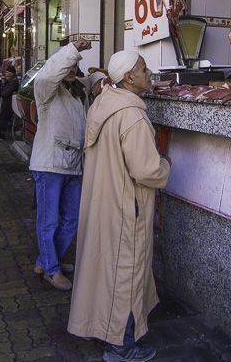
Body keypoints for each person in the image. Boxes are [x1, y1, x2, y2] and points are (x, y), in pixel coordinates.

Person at [67, 50, 171, 362]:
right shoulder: (133, 115)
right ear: (128, 78)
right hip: (127, 207)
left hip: (103, 203)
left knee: (106, 272)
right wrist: (165, 165)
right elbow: (147, 170)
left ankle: (105, 332)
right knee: (126, 273)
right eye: (143, 69)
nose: (148, 72)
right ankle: (121, 346)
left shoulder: (104, 103)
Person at [29, 38, 92, 291]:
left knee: (71, 220)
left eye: (75, 66)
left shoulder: (77, 91)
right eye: (68, 65)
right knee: (49, 221)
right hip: (49, 166)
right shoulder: (46, 89)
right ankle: (51, 269)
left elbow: (94, 80)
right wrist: (73, 49)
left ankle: (45, 259)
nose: (72, 70)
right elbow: (48, 75)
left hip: (74, 165)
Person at [0, 65, 19, 141]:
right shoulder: (10, 80)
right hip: (6, 102)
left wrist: (0, 92)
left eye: (7, 72)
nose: (6, 73)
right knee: (2, 117)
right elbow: (3, 90)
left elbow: (5, 93)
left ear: (11, 73)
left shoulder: (13, 82)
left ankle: (0, 136)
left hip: (9, 103)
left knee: (3, 118)